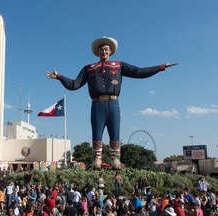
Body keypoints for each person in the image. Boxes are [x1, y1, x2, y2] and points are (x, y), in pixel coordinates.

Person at [46, 36, 178, 169]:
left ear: (111, 52)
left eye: (106, 50)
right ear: (97, 52)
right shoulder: (89, 68)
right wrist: (59, 77)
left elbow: (138, 72)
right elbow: (74, 85)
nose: (104, 52)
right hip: (97, 104)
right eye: (101, 50)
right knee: (96, 133)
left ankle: (115, 159)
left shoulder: (119, 65)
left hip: (113, 103)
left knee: (115, 132)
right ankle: (97, 159)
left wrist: (161, 67)